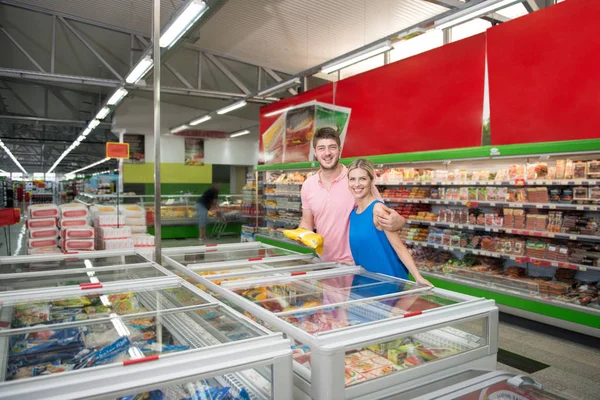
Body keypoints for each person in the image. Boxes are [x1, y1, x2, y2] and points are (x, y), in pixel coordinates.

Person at [300, 127, 405, 264]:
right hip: (323, 261)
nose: (327, 153)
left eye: (332, 147)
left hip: (355, 263)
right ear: (315, 152)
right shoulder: (308, 185)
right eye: (321, 148)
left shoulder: (356, 180)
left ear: (340, 150)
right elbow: (307, 222)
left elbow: (383, 214)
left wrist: (399, 221)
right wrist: (301, 234)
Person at [347, 158, 432, 286]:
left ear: (371, 181)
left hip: (389, 282)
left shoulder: (378, 209)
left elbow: (399, 247)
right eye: (352, 179)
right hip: (366, 283)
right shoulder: (353, 214)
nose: (356, 184)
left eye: (362, 179)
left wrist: (417, 277)